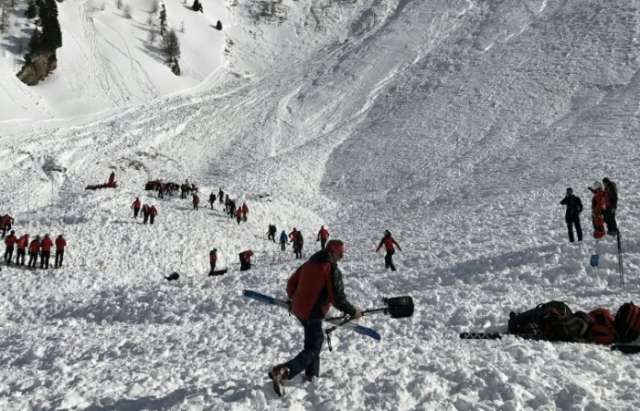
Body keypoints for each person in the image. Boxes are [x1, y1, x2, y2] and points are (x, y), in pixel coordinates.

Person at [269, 240, 362, 396]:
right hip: (313, 312)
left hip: (299, 310)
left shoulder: (308, 263)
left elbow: (291, 283)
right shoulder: (330, 269)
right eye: (340, 254)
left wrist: (295, 299)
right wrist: (353, 311)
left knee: (313, 343)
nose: (341, 257)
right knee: (313, 347)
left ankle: (312, 376)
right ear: (333, 253)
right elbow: (337, 298)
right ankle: (284, 371)